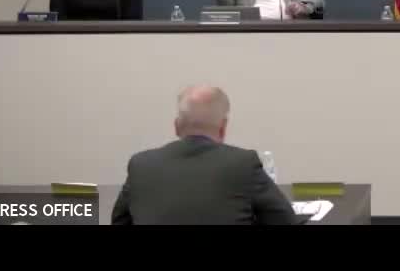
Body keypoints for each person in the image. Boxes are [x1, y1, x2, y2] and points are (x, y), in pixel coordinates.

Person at [111, 85, 297, 225]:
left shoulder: (141, 165)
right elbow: (285, 220)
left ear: (176, 126)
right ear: (223, 127)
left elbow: (119, 221)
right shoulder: (243, 164)